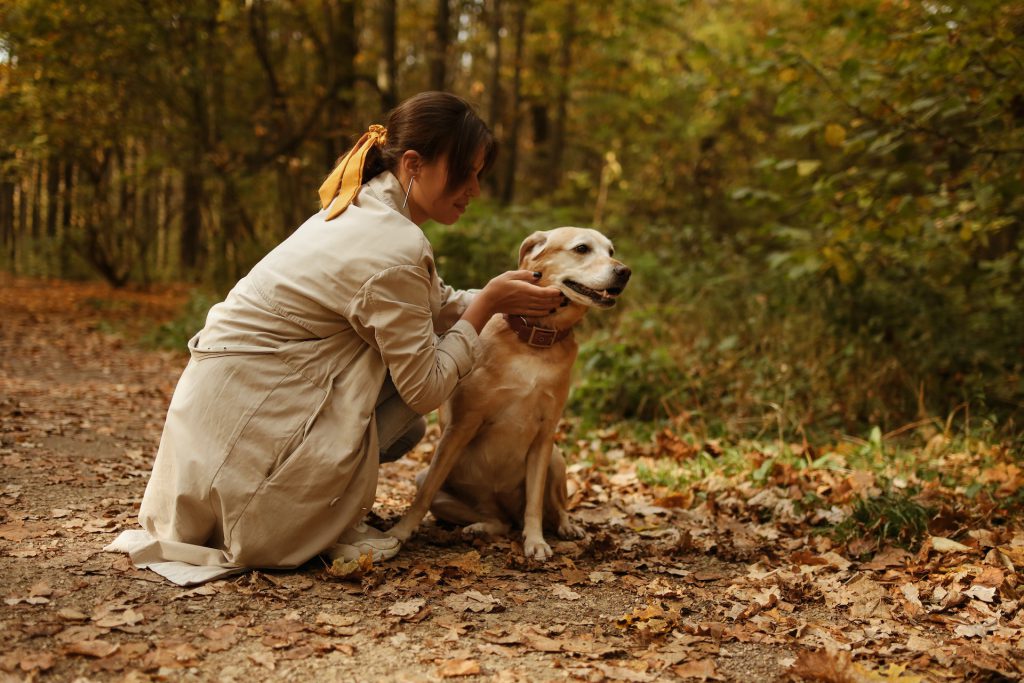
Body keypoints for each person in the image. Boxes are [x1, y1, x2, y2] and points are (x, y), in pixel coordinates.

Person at [105, 92, 563, 585]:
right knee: (420, 387)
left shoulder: (361, 209)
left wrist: (496, 298)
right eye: (465, 173)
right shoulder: (393, 244)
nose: (475, 188)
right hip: (246, 452)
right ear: (414, 164)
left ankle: (315, 503)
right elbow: (427, 388)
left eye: (480, 174)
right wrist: (488, 306)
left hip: (219, 435)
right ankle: (289, 516)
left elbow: (432, 302)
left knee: (404, 419)